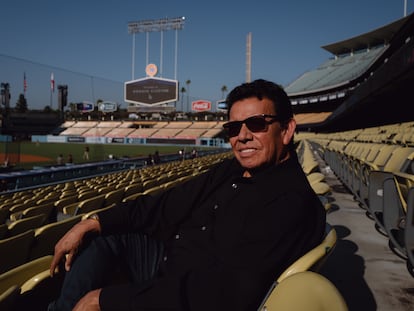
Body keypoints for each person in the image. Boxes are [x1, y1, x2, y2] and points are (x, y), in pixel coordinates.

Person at [48, 79, 326, 311]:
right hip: (171, 261)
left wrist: (105, 299)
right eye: (232, 128)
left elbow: (218, 293)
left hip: (185, 290)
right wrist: (93, 221)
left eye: (256, 124)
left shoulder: (289, 202)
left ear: (287, 130)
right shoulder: (234, 168)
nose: (242, 136)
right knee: (101, 239)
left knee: (93, 294)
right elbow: (168, 204)